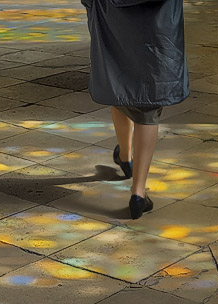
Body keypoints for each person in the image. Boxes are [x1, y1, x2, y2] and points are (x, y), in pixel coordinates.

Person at [82, 0, 189, 219]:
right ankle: (138, 192)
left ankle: (124, 155)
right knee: (148, 107)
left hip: (113, 14)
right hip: (156, 20)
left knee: (119, 81)